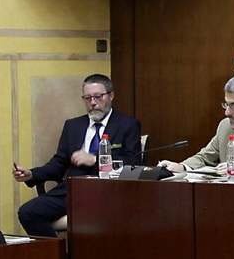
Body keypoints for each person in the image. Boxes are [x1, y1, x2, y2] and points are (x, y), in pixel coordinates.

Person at [14, 74, 143, 237]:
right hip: (73, 191)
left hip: (108, 192)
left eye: (98, 97)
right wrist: (32, 174)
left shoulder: (127, 124)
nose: (93, 103)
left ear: (111, 96)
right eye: (87, 98)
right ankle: (58, 257)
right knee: (28, 212)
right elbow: (59, 163)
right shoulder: (73, 125)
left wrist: (95, 159)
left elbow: (134, 163)